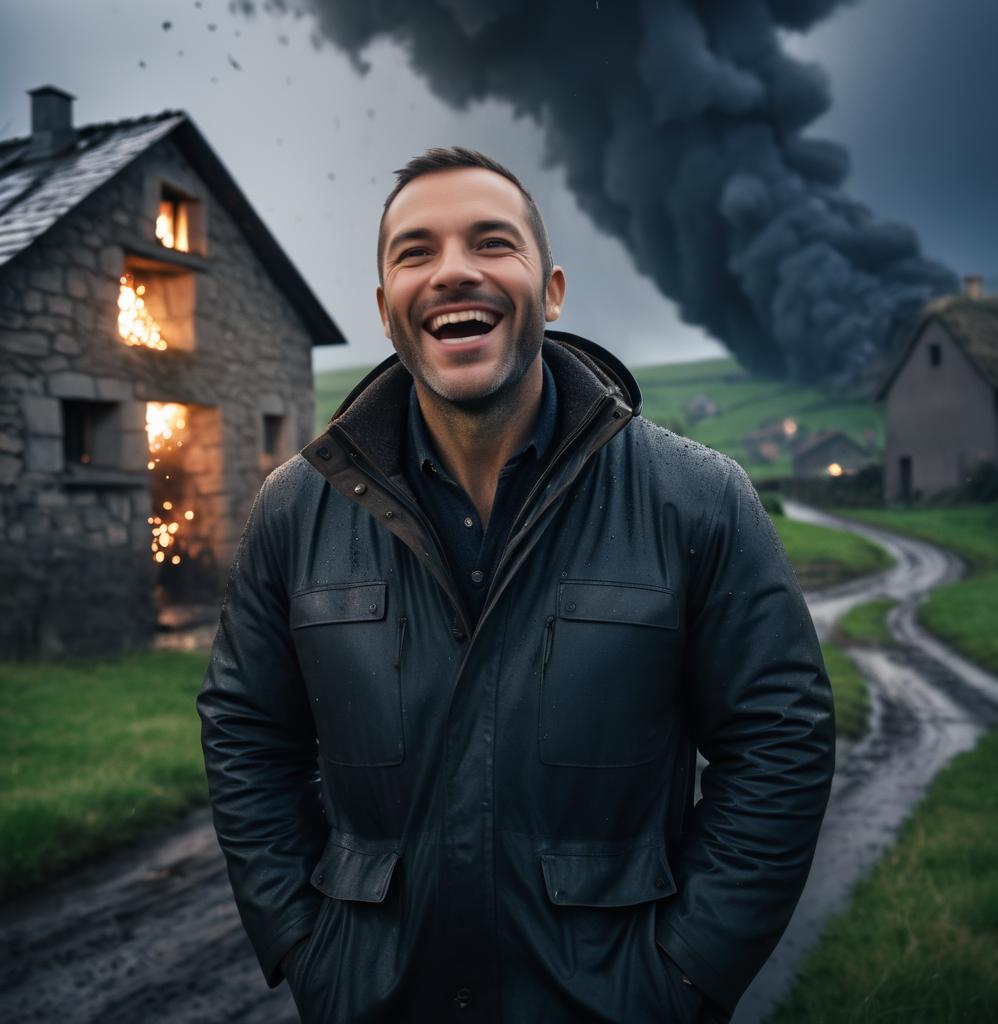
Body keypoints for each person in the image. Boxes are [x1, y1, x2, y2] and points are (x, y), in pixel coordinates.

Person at [197, 147, 834, 1023]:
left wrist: (686, 975)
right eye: (415, 253)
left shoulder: (698, 498)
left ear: (555, 290)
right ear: (386, 312)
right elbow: (246, 735)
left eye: (492, 243)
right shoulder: (294, 510)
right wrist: (311, 949)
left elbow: (779, 741)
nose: (454, 271)